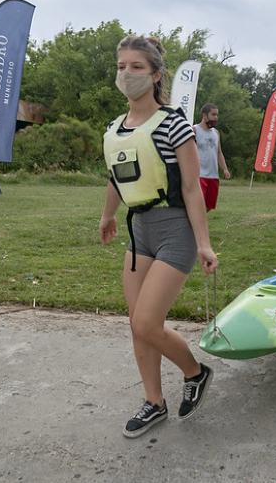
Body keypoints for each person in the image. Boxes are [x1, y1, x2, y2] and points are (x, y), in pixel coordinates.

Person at [99, 35, 217, 438]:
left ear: (155, 75)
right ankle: (154, 402)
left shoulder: (174, 123)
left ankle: (195, 372)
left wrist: (203, 242)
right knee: (138, 325)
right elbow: (115, 179)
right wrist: (107, 215)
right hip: (139, 229)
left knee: (148, 322)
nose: (126, 74)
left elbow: (190, 187)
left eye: (136, 67)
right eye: (121, 66)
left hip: (174, 230)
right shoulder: (114, 129)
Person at [193, 103, 231, 212]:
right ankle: (194, 226)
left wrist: (224, 169)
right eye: (213, 114)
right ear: (205, 116)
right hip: (199, 175)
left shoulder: (216, 133)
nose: (216, 117)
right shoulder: (194, 130)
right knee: (198, 204)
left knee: (209, 206)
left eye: (217, 115)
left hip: (213, 175)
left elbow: (219, 153)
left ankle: (195, 222)